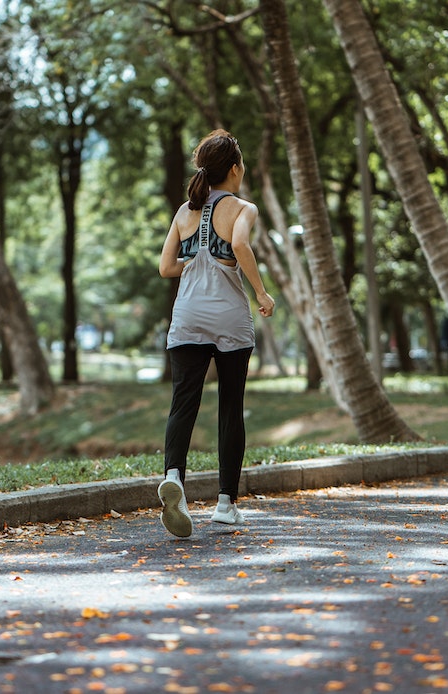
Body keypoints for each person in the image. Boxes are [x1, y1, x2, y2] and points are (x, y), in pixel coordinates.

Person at [156, 130, 275, 538]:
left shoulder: (183, 212)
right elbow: (240, 244)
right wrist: (260, 291)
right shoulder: (243, 207)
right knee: (230, 406)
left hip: (187, 316)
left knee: (182, 404)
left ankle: (174, 477)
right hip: (229, 318)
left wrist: (193, 264)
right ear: (236, 169)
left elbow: (165, 267)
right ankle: (226, 505)